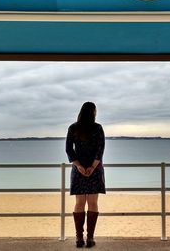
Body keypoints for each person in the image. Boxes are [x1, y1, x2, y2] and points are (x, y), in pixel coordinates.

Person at [66, 102, 105, 248]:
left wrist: (79, 166)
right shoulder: (98, 128)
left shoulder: (73, 128)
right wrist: (93, 167)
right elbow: (100, 150)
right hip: (95, 169)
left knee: (79, 202)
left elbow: (69, 150)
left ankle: (79, 239)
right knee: (93, 202)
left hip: (79, 169)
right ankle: (90, 238)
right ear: (93, 112)